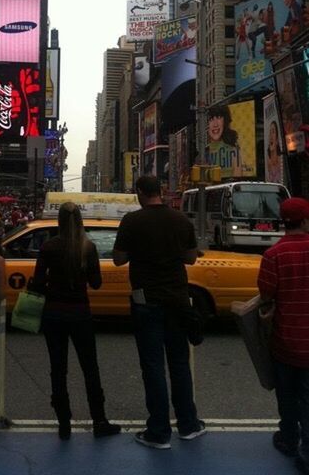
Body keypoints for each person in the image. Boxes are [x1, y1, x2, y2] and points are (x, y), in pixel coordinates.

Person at [113, 175, 205, 448]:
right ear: (162, 191)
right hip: (177, 300)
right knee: (179, 364)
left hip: (146, 301)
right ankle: (188, 425)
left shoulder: (132, 221)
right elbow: (190, 257)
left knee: (152, 366)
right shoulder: (180, 220)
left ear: (140, 192)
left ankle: (159, 431)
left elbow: (118, 259)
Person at [31, 201, 120, 441]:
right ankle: (99, 420)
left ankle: (64, 424)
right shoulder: (88, 248)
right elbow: (96, 283)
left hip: (53, 313)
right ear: (80, 220)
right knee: (90, 367)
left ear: (59, 221)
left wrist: (50, 280)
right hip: (80, 313)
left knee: (58, 369)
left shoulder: (49, 247)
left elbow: (37, 284)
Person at [258, 197, 309, 474]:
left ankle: (289, 440)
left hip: (285, 342)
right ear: (304, 221)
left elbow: (266, 295)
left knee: (287, 397)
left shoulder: (273, 255)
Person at [206, 104, 243, 178]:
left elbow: (237, 176)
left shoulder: (233, 148)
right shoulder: (205, 151)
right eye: (211, 119)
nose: (215, 124)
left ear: (225, 121)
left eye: (219, 117)